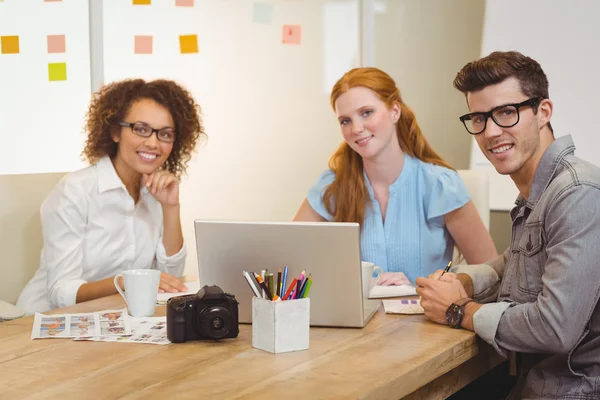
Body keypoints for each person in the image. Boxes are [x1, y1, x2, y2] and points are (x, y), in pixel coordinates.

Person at [416, 51, 600, 399]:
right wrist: (464, 280)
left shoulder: (577, 192)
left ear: (543, 112)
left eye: (505, 113)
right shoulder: (539, 192)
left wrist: (459, 310)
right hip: (532, 382)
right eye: (479, 118)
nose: (491, 132)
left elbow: (554, 327)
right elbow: (513, 263)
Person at [17, 78, 205, 315]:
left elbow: (170, 278)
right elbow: (61, 292)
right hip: (43, 323)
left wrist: (171, 208)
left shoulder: (154, 193)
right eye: (141, 129)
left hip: (114, 320)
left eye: (165, 134)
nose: (153, 143)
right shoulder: (75, 190)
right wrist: (126, 281)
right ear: (116, 131)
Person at [294, 67, 497, 284]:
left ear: (394, 111)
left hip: (424, 316)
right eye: (345, 120)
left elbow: (491, 277)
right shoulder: (331, 186)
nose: (356, 128)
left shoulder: (440, 184)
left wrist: (416, 291)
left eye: (366, 113)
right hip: (356, 318)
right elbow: (290, 263)